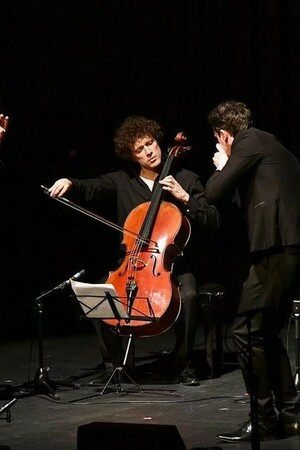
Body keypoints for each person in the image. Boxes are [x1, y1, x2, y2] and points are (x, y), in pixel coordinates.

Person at [48, 115, 220, 386]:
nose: (148, 151)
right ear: (132, 156)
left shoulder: (186, 179)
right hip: (134, 265)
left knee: (188, 295)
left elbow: (212, 219)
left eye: (150, 143)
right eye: (139, 149)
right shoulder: (122, 181)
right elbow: (92, 187)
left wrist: (184, 197)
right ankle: (115, 364)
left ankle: (183, 362)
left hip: (176, 265)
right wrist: (70, 182)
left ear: (159, 142)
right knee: (97, 296)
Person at [205, 100, 300, 441]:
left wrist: (223, 164)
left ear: (223, 133)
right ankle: (289, 415)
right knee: (265, 333)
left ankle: (263, 419)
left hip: (278, 248)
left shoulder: (247, 141)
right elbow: (241, 202)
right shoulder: (267, 144)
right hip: (284, 249)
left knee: (244, 332)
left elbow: (215, 192)